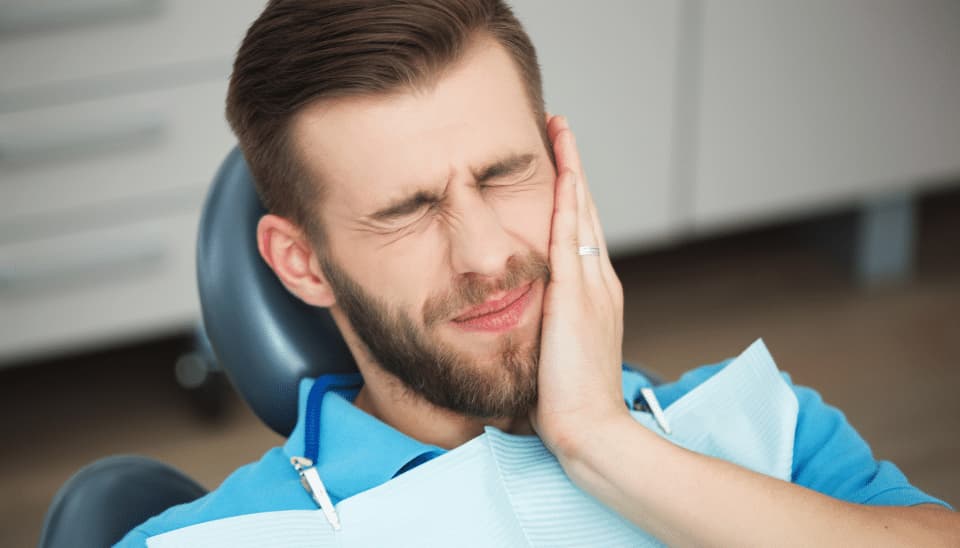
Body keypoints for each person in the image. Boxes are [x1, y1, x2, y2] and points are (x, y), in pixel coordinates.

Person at [117, 0, 958, 545]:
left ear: (563, 166)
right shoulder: (207, 542)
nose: (486, 257)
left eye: (502, 174)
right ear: (303, 264)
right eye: (409, 209)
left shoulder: (765, 433)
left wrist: (603, 444)